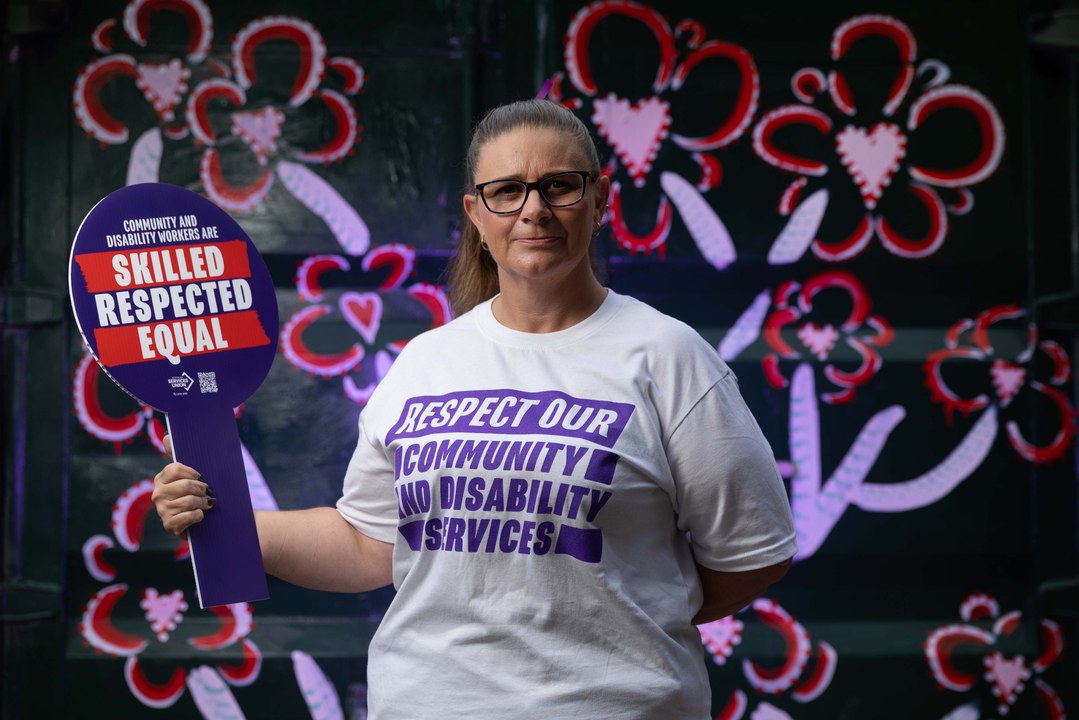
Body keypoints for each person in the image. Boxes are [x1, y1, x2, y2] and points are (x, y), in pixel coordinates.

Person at [154, 98, 796, 719]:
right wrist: (219, 515)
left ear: (599, 200)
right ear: (476, 214)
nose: (534, 210)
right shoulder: (424, 363)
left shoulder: (669, 357)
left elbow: (752, 557)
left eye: (560, 186)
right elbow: (366, 545)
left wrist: (627, 617)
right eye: (507, 191)